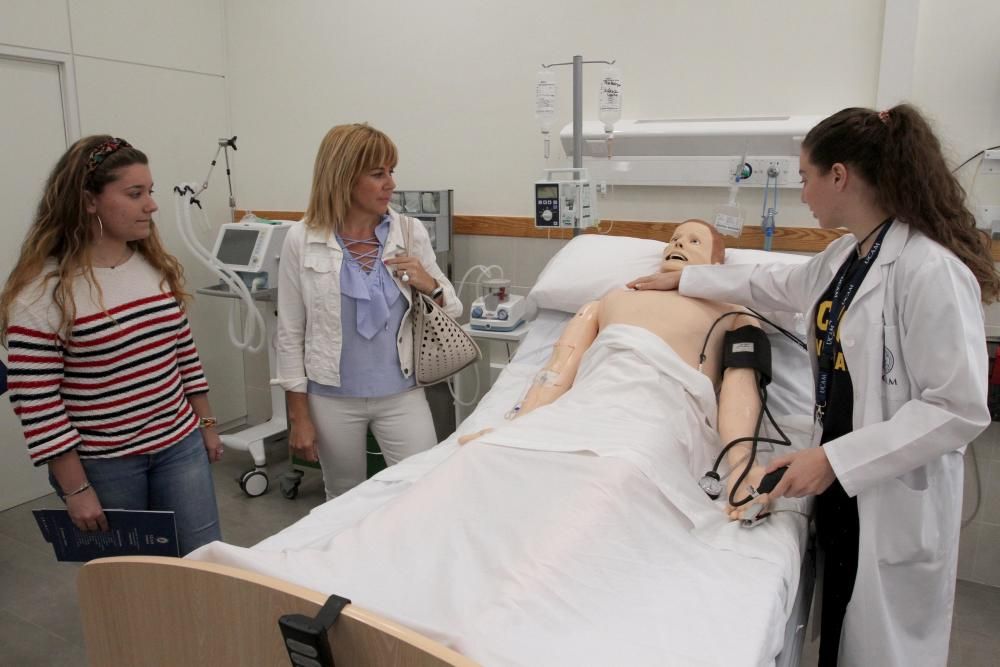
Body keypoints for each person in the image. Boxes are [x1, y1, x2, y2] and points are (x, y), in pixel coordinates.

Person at [629, 105, 996, 666]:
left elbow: (958, 408)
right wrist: (687, 276)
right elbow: (774, 281)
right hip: (844, 487)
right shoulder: (848, 257)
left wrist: (831, 460)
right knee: (843, 630)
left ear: (840, 175)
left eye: (805, 177)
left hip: (887, 488)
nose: (803, 193)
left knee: (882, 648)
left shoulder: (930, 269)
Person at [1, 135, 223, 556]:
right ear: (89, 201)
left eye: (150, 192)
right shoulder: (43, 293)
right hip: (105, 466)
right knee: (130, 582)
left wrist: (206, 425)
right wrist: (76, 487)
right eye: (135, 194)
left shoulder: (153, 266)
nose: (151, 205)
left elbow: (183, 354)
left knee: (205, 560)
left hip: (179, 446)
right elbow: (37, 402)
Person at [464, 219, 773, 517]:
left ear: (718, 266)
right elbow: (558, 367)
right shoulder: (611, 298)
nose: (678, 242)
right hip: (588, 400)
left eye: (694, 241)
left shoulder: (733, 311)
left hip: (661, 408)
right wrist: (518, 427)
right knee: (492, 463)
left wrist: (743, 464)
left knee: (615, 474)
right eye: (675, 238)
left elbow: (741, 385)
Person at [276, 123, 461, 499]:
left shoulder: (409, 232)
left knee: (421, 489)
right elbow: (290, 333)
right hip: (331, 395)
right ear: (343, 178)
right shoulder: (302, 239)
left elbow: (452, 309)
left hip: (402, 392)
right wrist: (299, 417)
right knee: (342, 496)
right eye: (378, 174)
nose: (390, 183)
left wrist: (430, 284)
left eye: (391, 172)